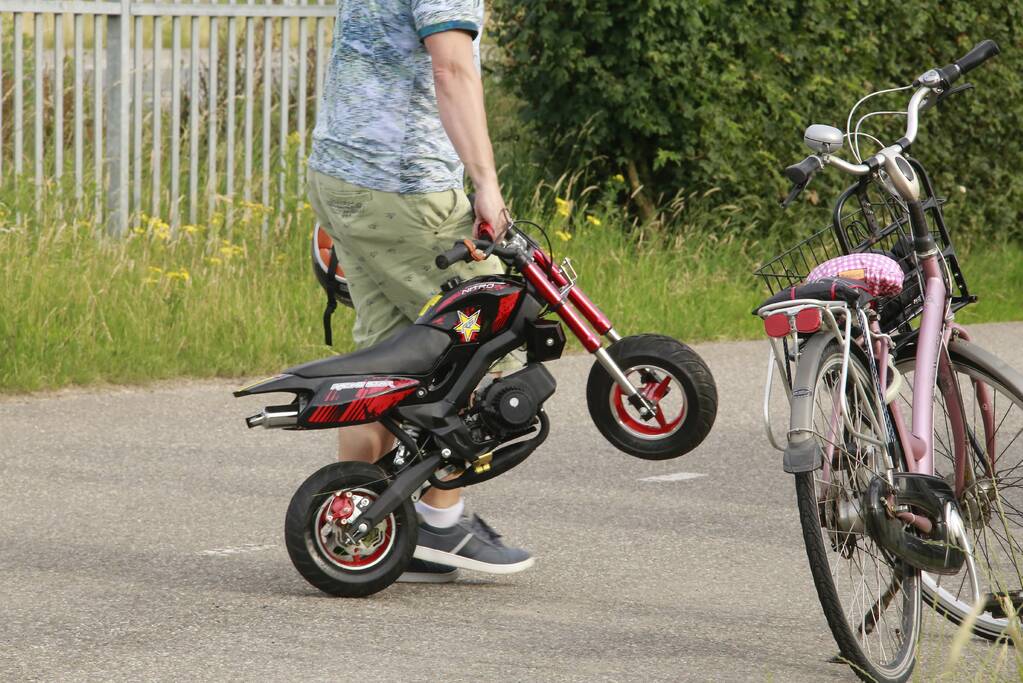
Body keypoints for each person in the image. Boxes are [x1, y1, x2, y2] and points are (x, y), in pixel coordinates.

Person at [306, 0, 532, 583]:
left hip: (342, 176)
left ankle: (359, 522)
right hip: (405, 187)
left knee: (386, 362)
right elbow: (451, 69)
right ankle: (437, 520)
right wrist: (486, 184)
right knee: (481, 343)